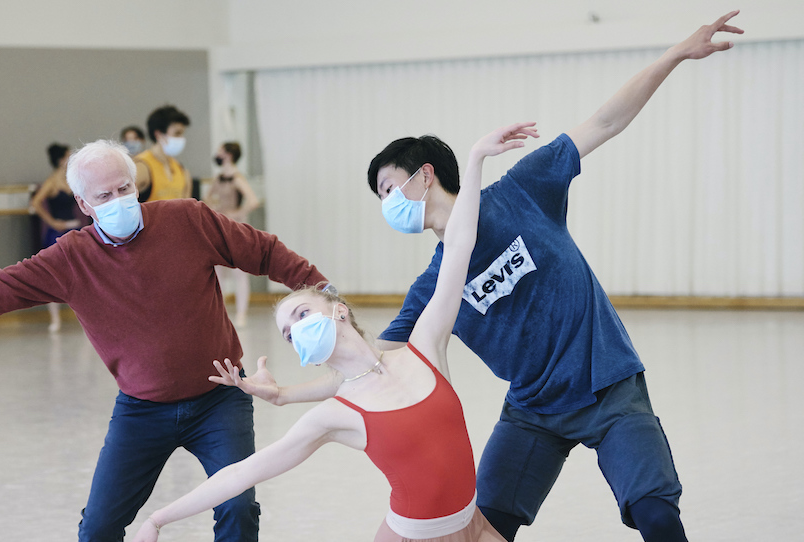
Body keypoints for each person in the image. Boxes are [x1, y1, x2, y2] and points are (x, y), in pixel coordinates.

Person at [362, 12, 744, 542]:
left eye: (388, 188)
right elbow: (377, 356)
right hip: (533, 411)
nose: (385, 204)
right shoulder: (433, 284)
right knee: (485, 528)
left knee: (656, 514)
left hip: (607, 384)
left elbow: (605, 122)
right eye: (378, 198)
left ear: (425, 175)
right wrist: (302, 369)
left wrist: (676, 53)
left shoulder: (521, 190)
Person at [0, 139, 327, 542]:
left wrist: (322, 291)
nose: (119, 201)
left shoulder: (188, 219)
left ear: (138, 184)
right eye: (104, 196)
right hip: (142, 409)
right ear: (84, 205)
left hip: (221, 397)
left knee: (239, 509)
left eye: (125, 188)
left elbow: (262, 251)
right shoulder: (69, 259)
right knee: (99, 529)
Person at [131, 122, 540, 542]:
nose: (298, 330)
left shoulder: (424, 347)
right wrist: (158, 518)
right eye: (290, 333)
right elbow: (243, 473)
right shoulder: (335, 414)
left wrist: (475, 159)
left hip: (474, 528)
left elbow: (459, 246)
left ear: (339, 311)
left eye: (302, 313)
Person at [29, 142, 87, 332]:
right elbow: (36, 202)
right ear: (61, 160)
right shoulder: (52, 182)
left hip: (74, 228)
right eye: (69, 156)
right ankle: (55, 319)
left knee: (80, 274)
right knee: (54, 275)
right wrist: (52, 222)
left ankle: (82, 315)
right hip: (57, 232)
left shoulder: (72, 180)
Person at [204, 142, 260, 327]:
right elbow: (207, 198)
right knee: (218, 270)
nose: (218, 153)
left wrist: (235, 213)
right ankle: (222, 313)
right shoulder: (219, 177)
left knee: (239, 271)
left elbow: (253, 200)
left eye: (221, 151)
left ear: (228, 154)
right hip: (219, 225)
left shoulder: (237, 178)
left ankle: (241, 314)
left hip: (234, 227)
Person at [133, 105, 192, 201]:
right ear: (158, 134)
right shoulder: (141, 166)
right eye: (177, 133)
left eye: (182, 133)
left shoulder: (182, 170)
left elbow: (188, 209)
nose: (181, 138)